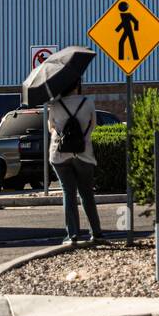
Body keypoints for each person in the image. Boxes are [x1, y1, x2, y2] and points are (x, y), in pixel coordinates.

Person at [47, 81, 104, 246]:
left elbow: (51, 128)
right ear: (77, 86)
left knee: (68, 193)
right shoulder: (87, 102)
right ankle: (96, 233)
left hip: (59, 154)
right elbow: (92, 126)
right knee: (86, 194)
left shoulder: (54, 105)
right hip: (84, 154)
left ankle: (71, 235)